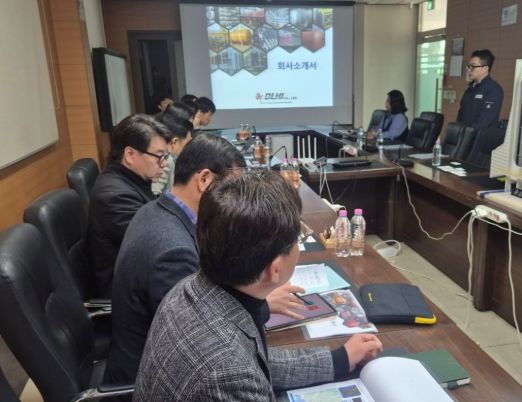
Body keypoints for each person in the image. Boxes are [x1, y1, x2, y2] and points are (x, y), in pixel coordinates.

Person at [134, 170, 383, 400]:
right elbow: (240, 369)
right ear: (274, 269)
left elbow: (255, 362)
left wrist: (339, 359)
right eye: (296, 238)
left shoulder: (190, 288)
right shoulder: (228, 373)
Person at [107, 134, 309, 387]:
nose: (240, 201)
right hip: (149, 379)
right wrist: (260, 300)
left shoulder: (156, 211)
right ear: (204, 179)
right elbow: (208, 341)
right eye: (232, 189)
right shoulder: (174, 252)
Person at [87, 114, 172, 297]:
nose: (164, 164)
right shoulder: (114, 196)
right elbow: (158, 244)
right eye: (159, 156)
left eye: (166, 156)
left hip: (143, 277)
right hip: (128, 293)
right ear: (130, 155)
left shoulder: (132, 181)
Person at [457, 49, 504, 130]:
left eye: (473, 66)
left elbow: (484, 121)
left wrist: (467, 134)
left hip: (479, 136)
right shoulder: (470, 88)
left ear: (485, 68)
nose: (469, 69)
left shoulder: (494, 90)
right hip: (463, 135)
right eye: (468, 66)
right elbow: (461, 114)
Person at [151, 113, 194, 195]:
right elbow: (155, 192)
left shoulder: (170, 158)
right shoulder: (166, 160)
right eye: (187, 144)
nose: (188, 148)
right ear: (174, 142)